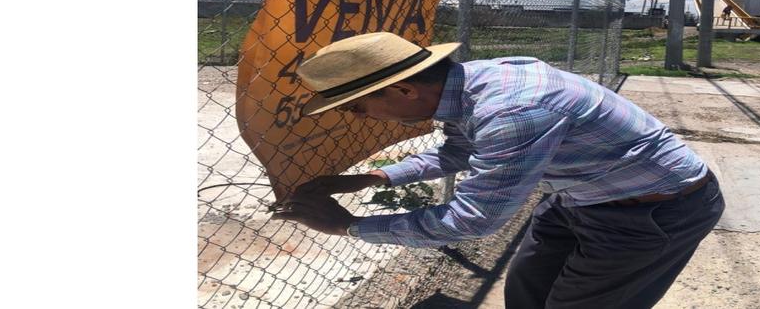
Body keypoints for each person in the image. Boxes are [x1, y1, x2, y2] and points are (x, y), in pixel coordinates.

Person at [272, 31, 725, 309]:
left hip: (656, 211)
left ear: (406, 91)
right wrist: (373, 178)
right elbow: (458, 154)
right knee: (527, 292)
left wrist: (349, 227)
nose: (360, 118)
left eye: (359, 106)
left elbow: (473, 220)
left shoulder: (511, 110)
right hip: (580, 196)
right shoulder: (470, 85)